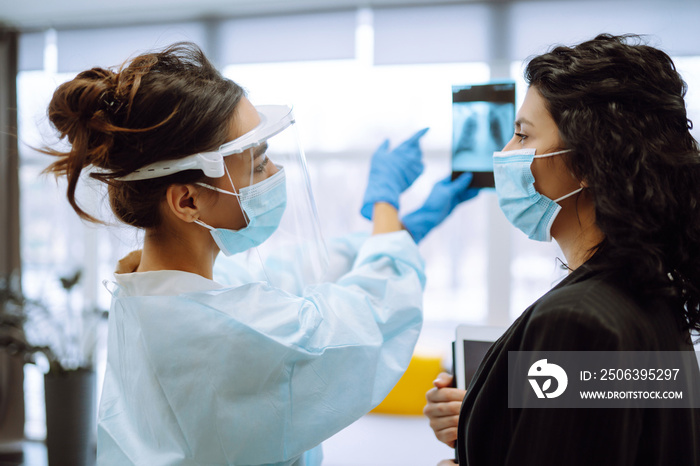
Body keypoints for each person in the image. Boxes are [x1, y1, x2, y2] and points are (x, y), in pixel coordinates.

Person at [43, 42, 475, 465]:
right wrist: (386, 210)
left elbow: (297, 273)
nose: (275, 173)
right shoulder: (230, 333)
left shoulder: (153, 294)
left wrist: (400, 231)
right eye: (257, 162)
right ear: (187, 201)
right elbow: (370, 319)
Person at [424, 34, 700, 465]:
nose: (506, 153)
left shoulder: (575, 320)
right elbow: (611, 415)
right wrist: (487, 413)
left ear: (589, 163)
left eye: (521, 134)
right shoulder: (646, 294)